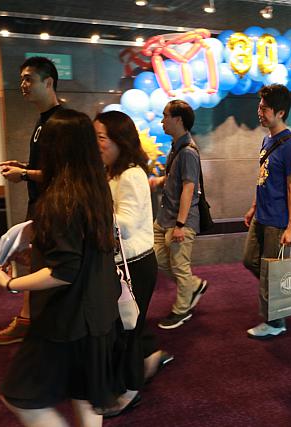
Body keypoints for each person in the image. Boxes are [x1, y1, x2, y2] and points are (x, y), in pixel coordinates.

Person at [0, 109, 123, 427]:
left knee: (20, 397)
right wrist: (38, 250)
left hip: (67, 319)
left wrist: (9, 284)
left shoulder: (61, 198)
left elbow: (63, 271)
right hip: (99, 314)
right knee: (85, 395)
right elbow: (79, 250)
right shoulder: (96, 189)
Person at [93, 111, 173, 417]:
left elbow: (124, 225)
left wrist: (89, 212)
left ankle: (129, 391)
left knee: (125, 331)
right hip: (121, 263)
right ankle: (148, 359)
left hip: (135, 264)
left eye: (101, 137)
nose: (96, 143)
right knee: (126, 326)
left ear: (120, 140)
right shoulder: (111, 171)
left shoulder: (131, 175)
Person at [0, 56, 62, 345]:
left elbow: (64, 172)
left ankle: (30, 321)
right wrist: (23, 167)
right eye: (21, 79)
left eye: (29, 79)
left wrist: (25, 174)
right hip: (41, 204)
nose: (23, 85)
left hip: (54, 207)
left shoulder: (61, 122)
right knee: (38, 262)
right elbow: (47, 166)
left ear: (49, 82)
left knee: (49, 265)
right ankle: (30, 319)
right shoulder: (43, 120)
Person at [243, 84, 291, 339]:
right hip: (262, 215)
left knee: (271, 271)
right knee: (250, 260)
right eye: (260, 107)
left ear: (280, 112)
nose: (260, 112)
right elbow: (263, 178)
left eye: (265, 108)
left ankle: (275, 322)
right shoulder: (267, 139)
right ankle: (281, 291)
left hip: (278, 221)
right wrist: (253, 207)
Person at [152, 100, 208, 330]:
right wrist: (160, 180)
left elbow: (189, 188)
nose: (162, 121)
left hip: (179, 221)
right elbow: (176, 178)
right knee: (157, 259)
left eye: (165, 116)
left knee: (179, 266)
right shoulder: (176, 147)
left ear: (178, 120)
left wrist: (180, 225)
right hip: (164, 218)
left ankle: (182, 310)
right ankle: (193, 285)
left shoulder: (188, 152)